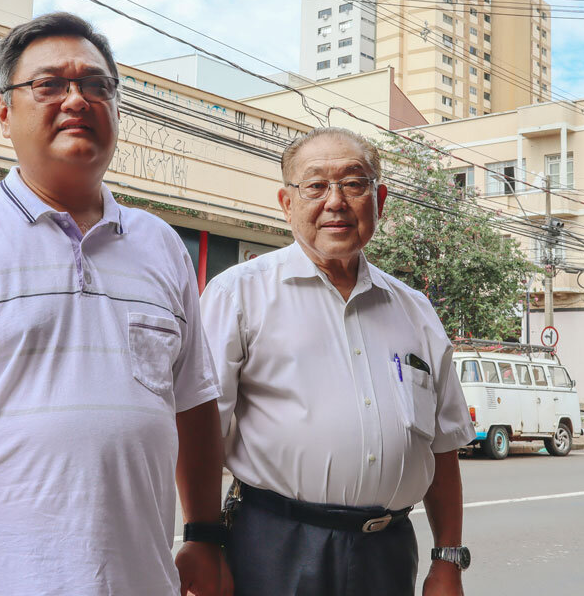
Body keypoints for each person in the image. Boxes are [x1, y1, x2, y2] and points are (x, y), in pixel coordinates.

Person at [0, 13, 227, 596]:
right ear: (5, 113)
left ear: (116, 110)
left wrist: (204, 534)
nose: (76, 99)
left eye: (96, 85)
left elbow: (194, 403)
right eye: (49, 84)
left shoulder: (162, 245)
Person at [201, 127, 475, 596]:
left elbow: (443, 446)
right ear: (287, 203)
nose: (336, 201)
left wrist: (447, 558)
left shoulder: (415, 310)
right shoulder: (238, 294)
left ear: (379, 199)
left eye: (354, 183)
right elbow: (201, 433)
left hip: (388, 553)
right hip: (272, 546)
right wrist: (202, 541)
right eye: (315, 185)